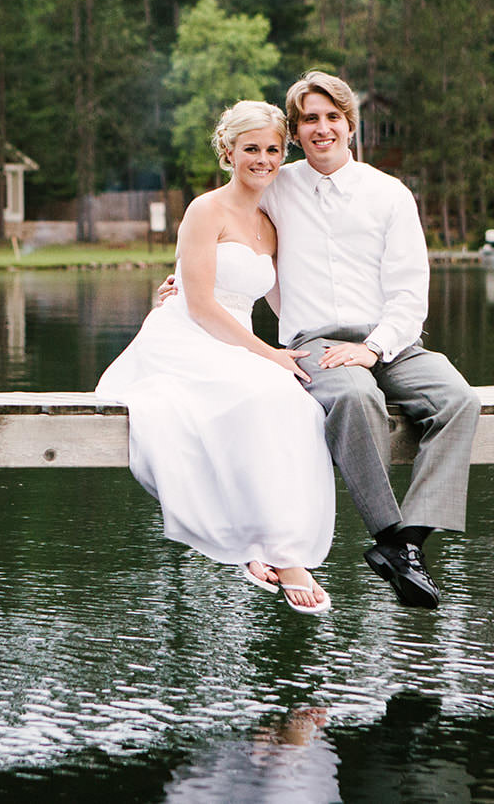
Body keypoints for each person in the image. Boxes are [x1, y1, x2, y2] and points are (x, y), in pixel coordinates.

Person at [163, 71, 480, 609]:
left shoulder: (389, 194)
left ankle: (408, 544)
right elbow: (232, 239)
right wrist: (186, 282)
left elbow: (410, 291)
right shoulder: (275, 185)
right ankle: (386, 531)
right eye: (309, 118)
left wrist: (376, 347)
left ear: (350, 125)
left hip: (392, 341)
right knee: (357, 397)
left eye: (332, 116)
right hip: (316, 343)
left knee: (460, 400)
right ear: (297, 130)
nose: (321, 128)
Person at [97, 101, 337, 614]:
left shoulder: (271, 223)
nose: (264, 159)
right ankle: (279, 551)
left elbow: (284, 300)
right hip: (187, 334)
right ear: (228, 153)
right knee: (262, 393)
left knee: (300, 406)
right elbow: (202, 304)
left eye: (273, 149)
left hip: (234, 337)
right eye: (251, 149)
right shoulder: (205, 210)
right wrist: (269, 355)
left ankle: (258, 541)